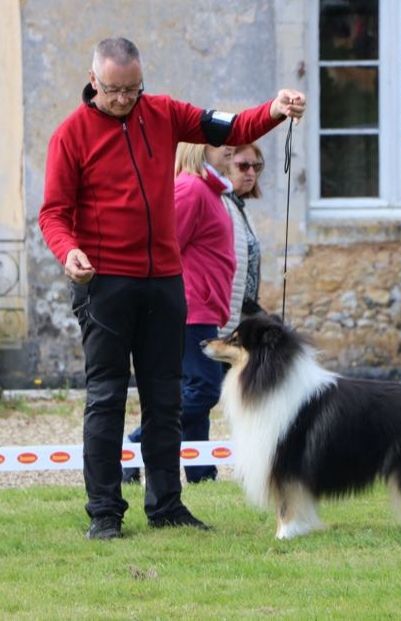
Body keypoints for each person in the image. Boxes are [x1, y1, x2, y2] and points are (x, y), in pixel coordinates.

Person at [38, 37, 305, 540]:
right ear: (94, 81)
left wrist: (273, 109)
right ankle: (104, 513)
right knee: (106, 397)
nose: (124, 99)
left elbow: (232, 128)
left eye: (133, 89)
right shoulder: (70, 135)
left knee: (166, 398)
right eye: (114, 90)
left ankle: (166, 505)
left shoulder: (162, 113)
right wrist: (68, 251)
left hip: (164, 283)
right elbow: (53, 213)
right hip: (104, 285)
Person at [124, 143, 235, 485]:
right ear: (199, 150)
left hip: (203, 309)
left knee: (197, 388)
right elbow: (165, 247)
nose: (230, 148)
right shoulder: (190, 189)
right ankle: (132, 446)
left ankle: (200, 472)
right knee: (203, 388)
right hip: (189, 309)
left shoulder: (209, 191)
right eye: (221, 143)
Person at [220, 143, 266, 337]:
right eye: (243, 166)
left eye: (255, 167)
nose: (251, 173)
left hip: (243, 312)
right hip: (224, 315)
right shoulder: (220, 203)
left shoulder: (240, 206)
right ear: (226, 165)